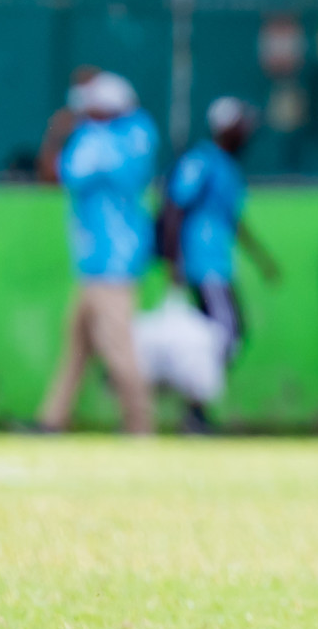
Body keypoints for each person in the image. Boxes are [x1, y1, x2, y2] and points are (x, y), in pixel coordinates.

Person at [38, 71, 160, 434]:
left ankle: (140, 426)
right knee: (76, 349)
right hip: (95, 265)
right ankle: (51, 421)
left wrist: (60, 131)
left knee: (118, 351)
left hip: (112, 266)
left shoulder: (106, 140)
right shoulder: (126, 136)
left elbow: (54, 173)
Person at [157, 96, 282, 433]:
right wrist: (174, 262)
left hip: (218, 265)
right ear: (227, 128)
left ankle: (195, 406)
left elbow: (233, 220)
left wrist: (262, 260)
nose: (248, 132)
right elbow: (174, 208)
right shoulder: (202, 162)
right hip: (202, 265)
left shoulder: (227, 168)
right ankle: (192, 405)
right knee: (226, 332)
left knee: (221, 335)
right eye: (242, 125)